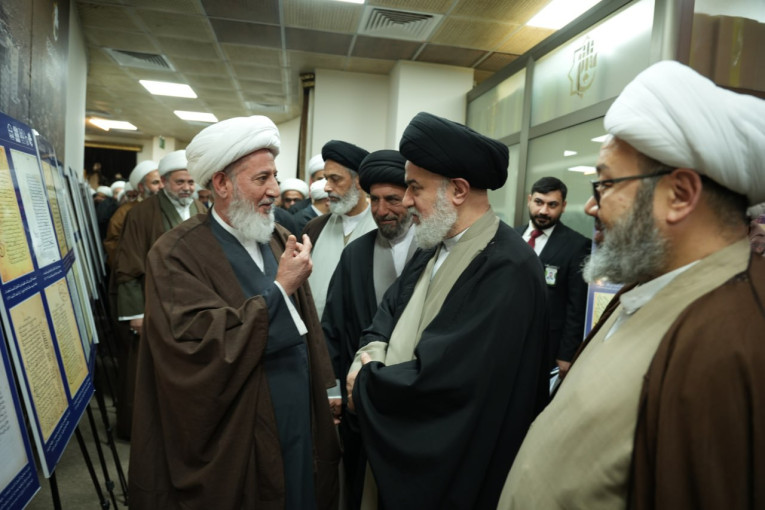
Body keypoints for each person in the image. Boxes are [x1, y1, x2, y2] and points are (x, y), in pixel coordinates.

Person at [498, 61, 765, 510]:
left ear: (680, 196)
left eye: (606, 184)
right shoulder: (651, 286)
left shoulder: (734, 341)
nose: (591, 206)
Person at [129, 115, 340, 509]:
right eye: (261, 179)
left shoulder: (277, 237)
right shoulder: (176, 253)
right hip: (237, 427)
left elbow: (306, 329)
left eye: (274, 176)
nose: (275, 189)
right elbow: (196, 344)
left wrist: (324, 390)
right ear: (222, 184)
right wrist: (280, 290)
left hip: (296, 412)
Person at [346, 112, 550, 510]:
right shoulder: (432, 246)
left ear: (457, 190)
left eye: (414, 187)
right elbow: (384, 319)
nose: (406, 200)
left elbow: (452, 381)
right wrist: (368, 357)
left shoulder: (509, 267)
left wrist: (366, 385)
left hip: (458, 470)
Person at [322, 150, 417, 508]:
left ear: (410, 197)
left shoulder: (432, 250)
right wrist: (333, 389)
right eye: (374, 200)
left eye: (392, 199)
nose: (381, 210)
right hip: (360, 398)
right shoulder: (356, 254)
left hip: (413, 398)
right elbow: (333, 326)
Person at [113, 151, 204, 438]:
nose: (187, 188)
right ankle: (140, 432)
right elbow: (128, 265)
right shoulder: (142, 214)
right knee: (144, 371)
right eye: (180, 182)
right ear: (164, 182)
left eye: (191, 182)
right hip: (152, 305)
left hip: (190, 308)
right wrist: (136, 313)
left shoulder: (201, 209)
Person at [516, 176, 590, 377]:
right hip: (507, 336)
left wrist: (567, 353)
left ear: (563, 206)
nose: (543, 211)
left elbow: (577, 305)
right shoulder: (512, 237)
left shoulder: (577, 245)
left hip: (546, 344)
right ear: (529, 200)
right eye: (539, 202)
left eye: (552, 205)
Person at [304, 140, 375, 318]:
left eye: (335, 179)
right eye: (326, 179)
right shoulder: (314, 228)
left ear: (359, 181)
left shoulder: (381, 230)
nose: (327, 187)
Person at [103, 160, 159, 267]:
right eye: (155, 183)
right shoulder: (125, 212)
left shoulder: (163, 208)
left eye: (162, 182)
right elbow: (112, 243)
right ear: (141, 187)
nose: (161, 187)